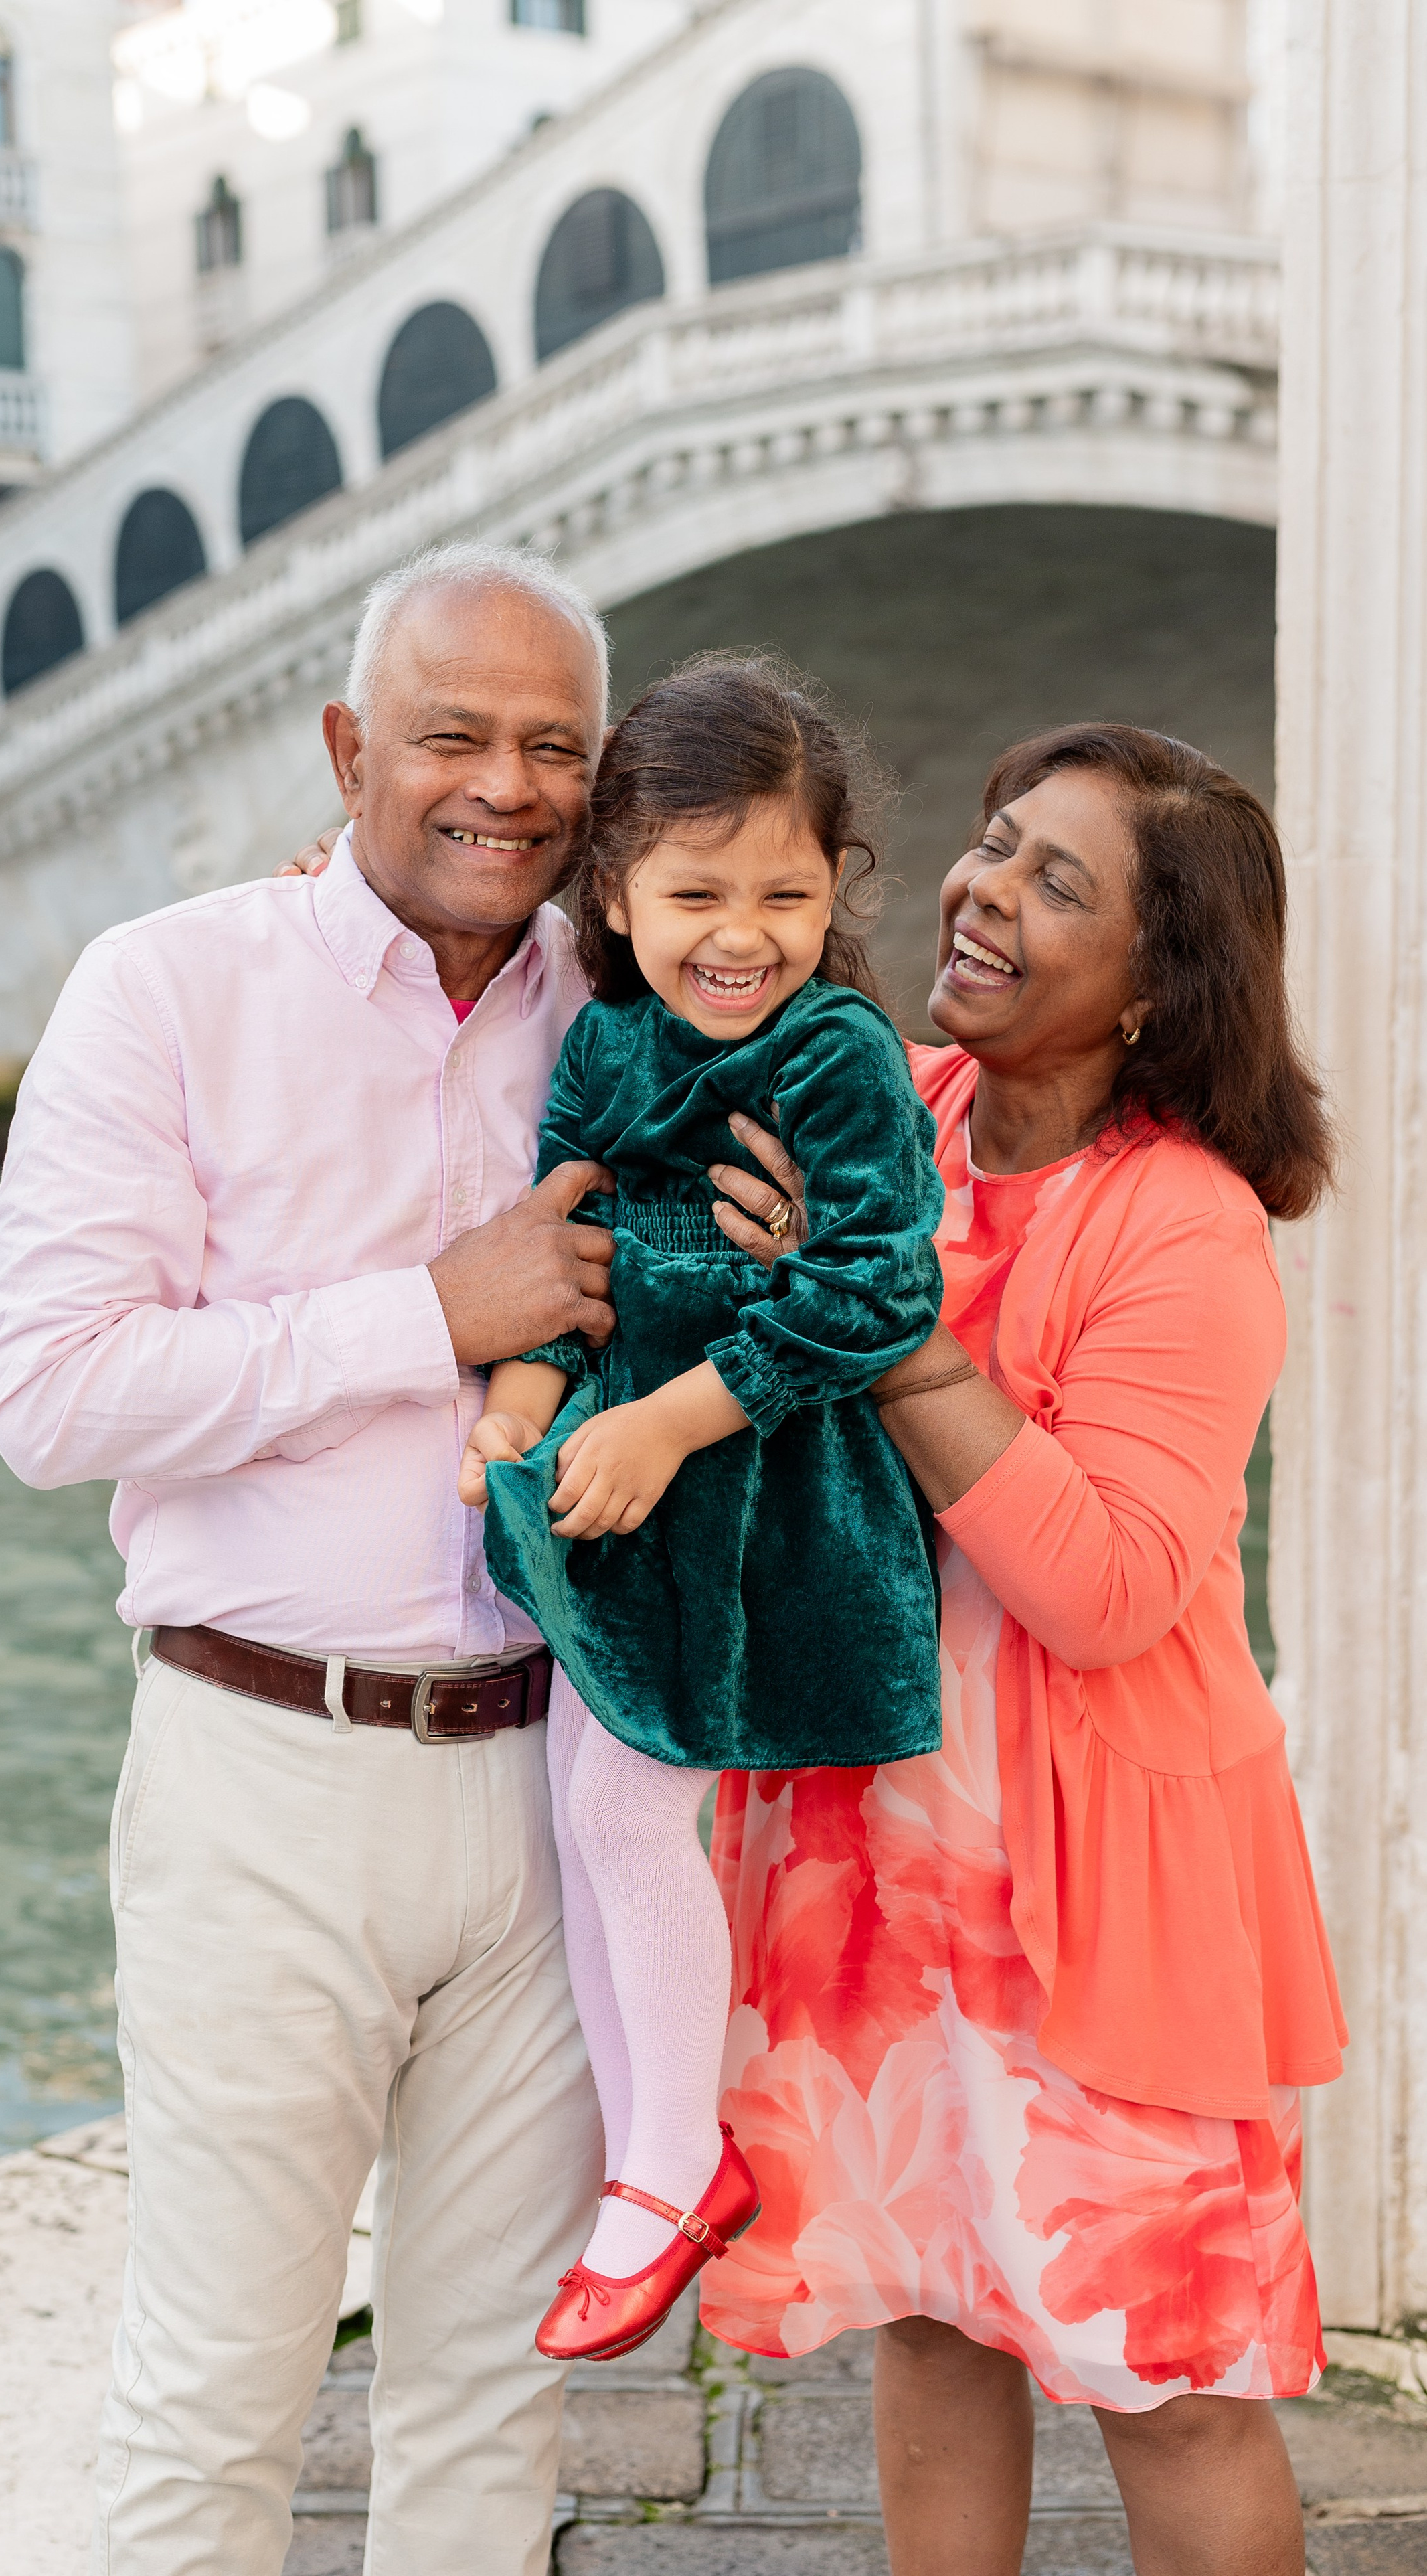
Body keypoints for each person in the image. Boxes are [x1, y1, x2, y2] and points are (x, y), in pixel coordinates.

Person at [0, 541, 631, 2576]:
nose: (504, 786)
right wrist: (428, 1312)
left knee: (496, 2393)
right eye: (452, 735)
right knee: (218, 2394)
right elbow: (53, 1398)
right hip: (266, 1776)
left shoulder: (625, 1020)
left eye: (553, 749)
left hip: (559, 1782)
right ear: (351, 749)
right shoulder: (166, 985)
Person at [698, 723, 1346, 2576]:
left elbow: (1110, 1588)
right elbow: (668, 1026)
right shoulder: (878, 1111)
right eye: (994, 846)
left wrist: (880, 1317)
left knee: (1174, 2369)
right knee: (927, 2304)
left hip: (1099, 1890)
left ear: (1161, 988)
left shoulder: (1187, 1229)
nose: (984, 888)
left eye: (1060, 880)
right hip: (873, 1861)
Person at [458, 658, 948, 2364]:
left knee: (619, 1818)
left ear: (835, 892)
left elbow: (879, 1291)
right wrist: (515, 1413)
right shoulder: (600, 1039)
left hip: (750, 1486)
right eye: (692, 893)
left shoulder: (835, 1051)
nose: (738, 934)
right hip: (615, 1486)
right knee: (591, 1809)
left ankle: (674, 2164)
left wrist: (663, 1422)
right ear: (610, 888)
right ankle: (647, 2160)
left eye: (784, 893)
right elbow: (563, 1241)